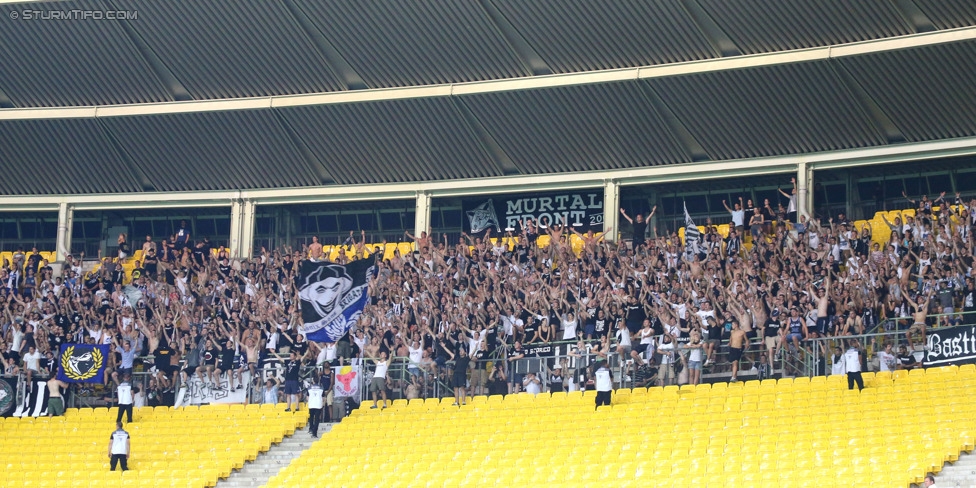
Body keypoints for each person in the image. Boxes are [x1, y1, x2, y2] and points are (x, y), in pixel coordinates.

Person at [306, 373, 325, 438]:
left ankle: (311, 428)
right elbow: (323, 398)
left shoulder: (309, 388)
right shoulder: (321, 388)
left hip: (311, 404)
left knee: (311, 417)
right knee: (317, 419)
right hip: (318, 405)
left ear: (313, 380)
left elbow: (307, 398)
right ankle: (315, 433)